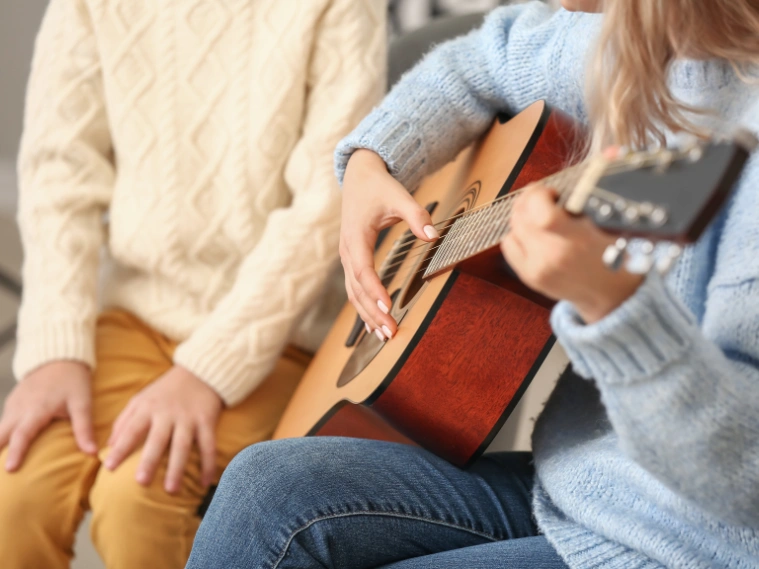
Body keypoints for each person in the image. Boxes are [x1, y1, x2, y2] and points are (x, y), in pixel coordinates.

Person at [184, 0, 759, 568]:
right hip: (575, 483)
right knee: (265, 487)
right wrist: (372, 161)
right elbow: (480, 56)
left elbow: (747, 477)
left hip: (686, 544)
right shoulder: (624, 40)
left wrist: (616, 311)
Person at [0, 1, 385, 568]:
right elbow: (60, 174)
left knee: (139, 501)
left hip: (277, 335)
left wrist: (209, 370)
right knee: (15, 498)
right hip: (136, 316)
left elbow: (327, 205)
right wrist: (53, 353)